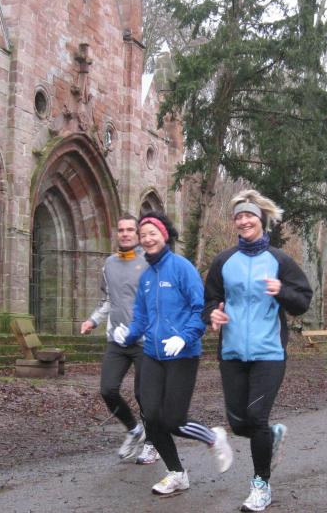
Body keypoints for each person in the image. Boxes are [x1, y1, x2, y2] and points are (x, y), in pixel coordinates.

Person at [204, 190, 313, 512]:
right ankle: (272, 436)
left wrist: (281, 291)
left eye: (249, 215)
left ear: (261, 220)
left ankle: (261, 485)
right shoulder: (224, 261)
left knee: (256, 417)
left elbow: (302, 301)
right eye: (238, 216)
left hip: (269, 352)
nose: (243, 221)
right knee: (239, 423)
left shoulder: (280, 261)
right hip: (232, 352)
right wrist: (212, 315)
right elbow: (209, 300)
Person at [113, 212, 233, 496]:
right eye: (143, 235)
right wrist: (127, 334)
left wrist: (184, 336)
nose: (147, 239)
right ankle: (177, 473)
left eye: (152, 234)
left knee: (173, 420)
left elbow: (200, 309)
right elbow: (141, 316)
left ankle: (212, 437)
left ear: (164, 236)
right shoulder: (146, 276)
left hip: (182, 354)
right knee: (151, 417)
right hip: (153, 354)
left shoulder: (182, 268)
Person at [80, 214, 159, 465]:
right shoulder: (109, 264)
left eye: (130, 230)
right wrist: (93, 320)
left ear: (138, 234)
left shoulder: (150, 263)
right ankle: (134, 430)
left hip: (145, 340)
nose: (125, 234)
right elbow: (108, 300)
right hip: (117, 339)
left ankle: (153, 443)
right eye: (121, 230)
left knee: (144, 394)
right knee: (108, 389)